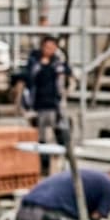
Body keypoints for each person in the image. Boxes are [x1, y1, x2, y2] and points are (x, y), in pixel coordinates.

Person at [12, 35, 72, 174]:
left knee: (61, 134)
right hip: (38, 105)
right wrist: (22, 105)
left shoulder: (57, 63)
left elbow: (68, 74)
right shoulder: (34, 63)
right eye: (47, 47)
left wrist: (65, 91)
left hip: (55, 105)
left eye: (53, 47)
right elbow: (24, 79)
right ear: (42, 47)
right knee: (41, 138)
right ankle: (43, 167)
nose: (50, 50)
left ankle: (65, 163)